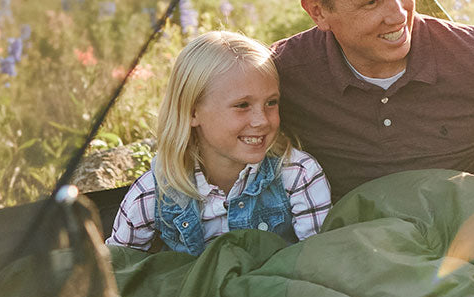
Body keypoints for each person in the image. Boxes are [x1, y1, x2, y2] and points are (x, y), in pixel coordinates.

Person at [274, 0, 474, 196]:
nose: (398, 14)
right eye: (371, 3)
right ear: (318, 11)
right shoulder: (282, 74)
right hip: (354, 254)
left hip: (468, 247)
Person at [107, 31, 332, 255]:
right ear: (192, 112)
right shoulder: (155, 192)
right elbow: (118, 270)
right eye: (242, 105)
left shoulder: (298, 175)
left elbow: (319, 263)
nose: (261, 120)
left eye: (271, 102)